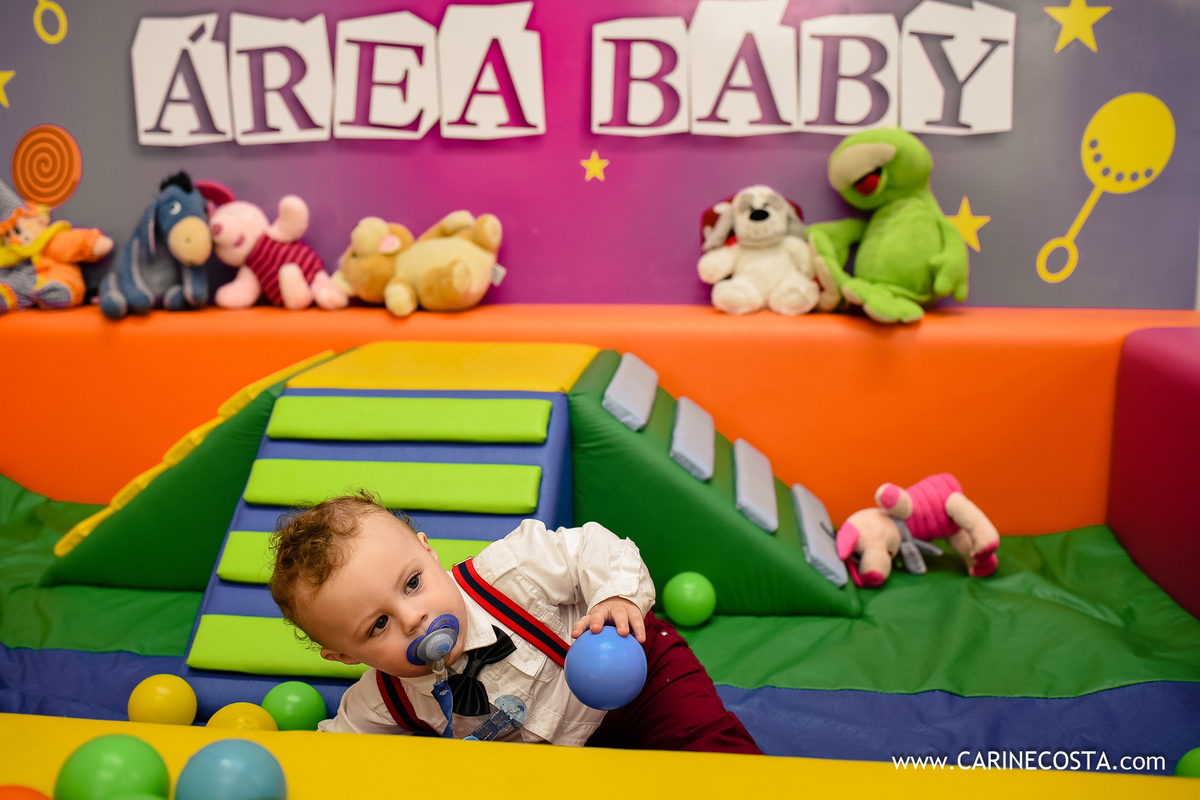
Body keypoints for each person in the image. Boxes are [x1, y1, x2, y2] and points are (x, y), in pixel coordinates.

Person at [268, 490, 762, 753]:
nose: (413, 618)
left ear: (428, 552)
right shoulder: (383, 701)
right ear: (344, 655)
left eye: (412, 583)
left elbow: (592, 547)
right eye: (378, 626)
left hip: (642, 678)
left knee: (710, 753)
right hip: (561, 762)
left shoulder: (508, 572)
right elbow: (337, 755)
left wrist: (614, 596)